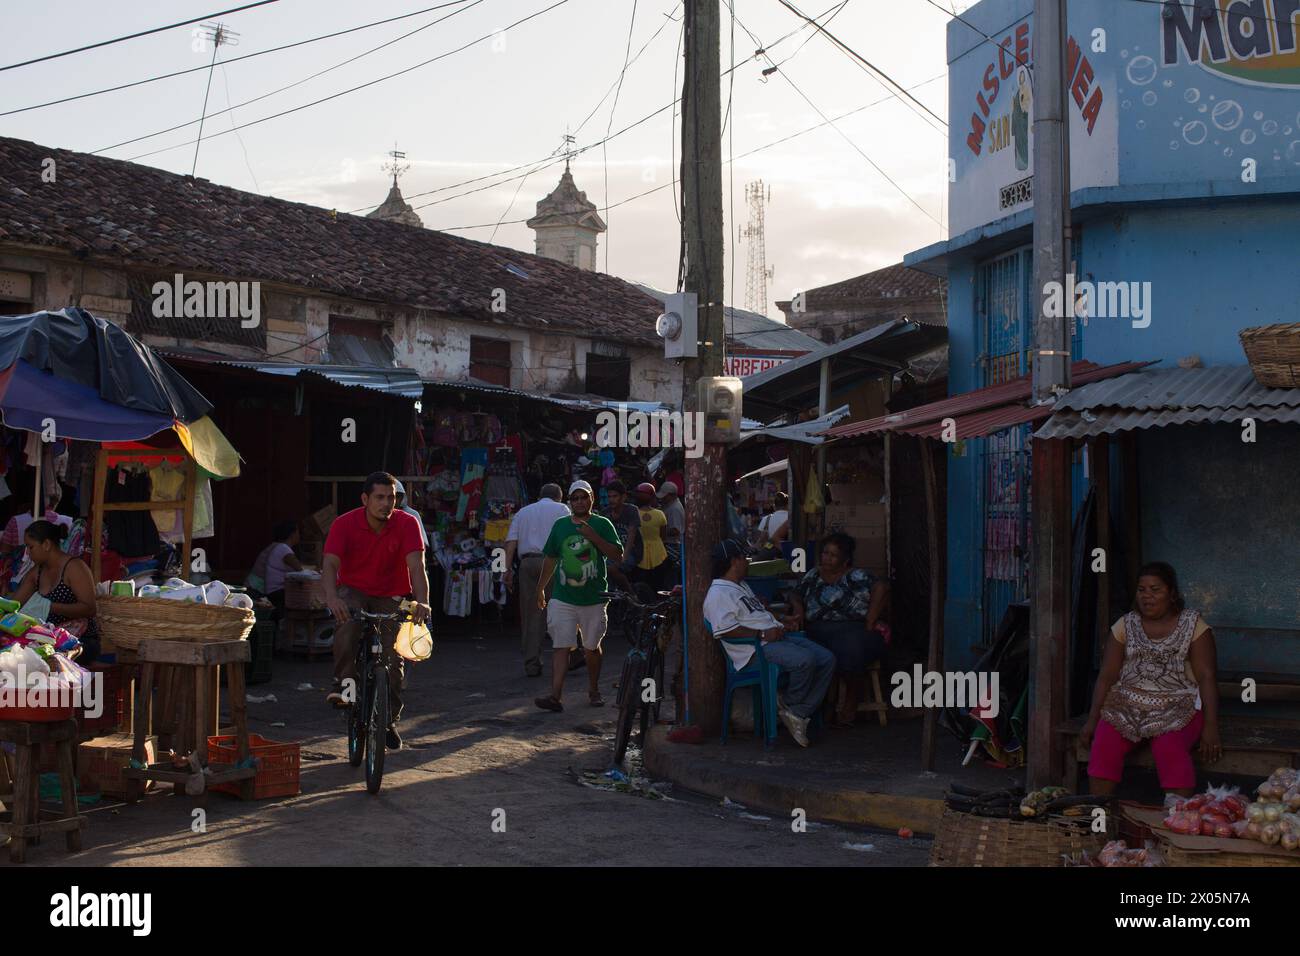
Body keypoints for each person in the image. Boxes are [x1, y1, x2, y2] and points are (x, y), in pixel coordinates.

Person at [1081, 562, 1220, 799]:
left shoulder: (1194, 625)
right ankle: (1100, 815)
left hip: (1179, 704)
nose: (1147, 596)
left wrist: (1211, 726)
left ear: (1172, 593)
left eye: (1155, 589)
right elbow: (1106, 676)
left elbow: (1207, 677)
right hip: (1127, 702)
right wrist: (1092, 721)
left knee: (1169, 746)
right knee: (1105, 744)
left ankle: (1178, 817)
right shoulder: (1126, 625)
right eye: (1141, 590)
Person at [322, 472, 431, 751]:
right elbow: (331, 565)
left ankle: (389, 719)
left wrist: (423, 601)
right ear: (365, 499)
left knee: (395, 660)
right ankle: (343, 683)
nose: (386, 504)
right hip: (354, 590)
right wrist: (332, 597)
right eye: (380, 497)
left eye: (391, 498)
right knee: (347, 623)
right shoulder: (344, 524)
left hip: (393, 595)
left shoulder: (407, 523)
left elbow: (417, 567)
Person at [704, 539, 835, 747]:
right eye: (745, 558)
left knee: (826, 659)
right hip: (754, 651)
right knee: (805, 660)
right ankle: (793, 710)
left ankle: (795, 713)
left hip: (775, 638)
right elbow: (725, 630)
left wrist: (782, 622)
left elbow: (757, 615)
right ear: (734, 561)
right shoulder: (718, 594)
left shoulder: (741, 586)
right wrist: (762, 635)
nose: (748, 562)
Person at [534, 480, 623, 712]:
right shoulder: (561, 525)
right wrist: (540, 587)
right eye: (575, 498)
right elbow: (551, 558)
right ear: (569, 502)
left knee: (592, 647)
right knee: (561, 646)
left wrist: (593, 536)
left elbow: (617, 556)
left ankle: (593, 690)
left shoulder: (602, 524)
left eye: (584, 497)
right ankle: (555, 696)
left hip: (594, 599)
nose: (580, 502)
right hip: (563, 598)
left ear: (592, 498)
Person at [787, 533, 891, 727]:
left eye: (833, 555)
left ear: (845, 560)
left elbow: (882, 587)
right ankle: (813, 705)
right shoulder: (813, 575)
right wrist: (799, 608)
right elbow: (795, 593)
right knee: (803, 649)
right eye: (825, 553)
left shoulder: (856, 576)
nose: (826, 558)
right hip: (818, 628)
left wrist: (871, 619)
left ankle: (851, 698)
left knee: (850, 649)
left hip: (853, 629)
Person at [10, 520, 100, 664]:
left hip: (81, 643)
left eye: (30, 547)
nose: (27, 553)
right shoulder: (37, 572)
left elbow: (90, 608)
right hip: (49, 640)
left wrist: (49, 606)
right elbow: (13, 604)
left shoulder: (75, 567)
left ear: (46, 544)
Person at [504, 484, 570, 677]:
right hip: (552, 563)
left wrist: (505, 570)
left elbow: (510, 543)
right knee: (560, 610)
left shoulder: (522, 513)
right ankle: (570, 656)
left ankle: (532, 663)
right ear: (559, 497)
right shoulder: (562, 509)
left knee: (532, 615)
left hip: (527, 564)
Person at [247, 520, 304, 611]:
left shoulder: (276, 546)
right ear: (292, 534)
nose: (299, 535)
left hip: (261, 588)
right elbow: (300, 569)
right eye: (298, 532)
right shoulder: (283, 548)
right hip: (265, 590)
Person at [599, 480, 641, 593]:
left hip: (631, 552)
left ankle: (631, 595)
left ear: (623, 497)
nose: (611, 499)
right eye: (609, 497)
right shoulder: (604, 513)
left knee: (612, 569)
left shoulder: (631, 511)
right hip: (612, 553)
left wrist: (622, 559)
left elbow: (631, 537)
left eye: (615, 496)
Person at [633, 482, 671, 594]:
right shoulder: (660, 514)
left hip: (639, 555)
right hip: (659, 554)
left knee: (641, 587)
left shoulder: (633, 513)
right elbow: (663, 537)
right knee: (659, 586)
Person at [393, 480, 428, 550]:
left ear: (402, 497)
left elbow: (422, 542)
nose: (395, 500)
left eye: (398, 496)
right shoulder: (380, 515)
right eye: (392, 496)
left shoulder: (412, 514)